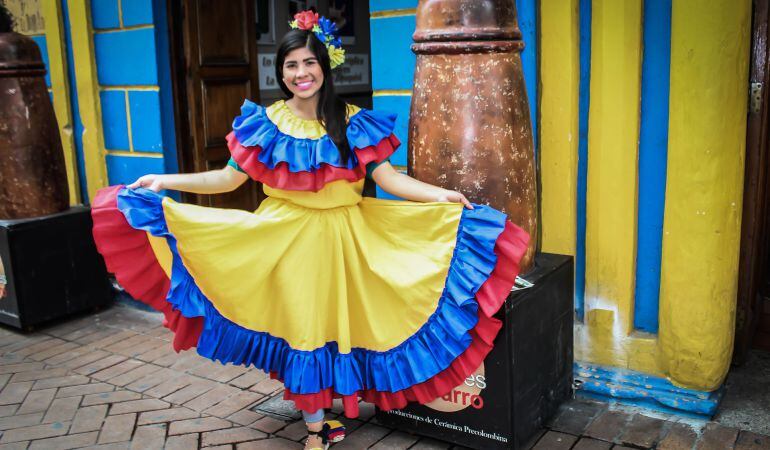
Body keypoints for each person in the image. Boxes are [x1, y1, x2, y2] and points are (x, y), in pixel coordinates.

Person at [91, 11, 528, 450]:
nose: (301, 73)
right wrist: (166, 181)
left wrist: (440, 195)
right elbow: (225, 181)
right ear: (280, 72)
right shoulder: (264, 122)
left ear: (324, 66)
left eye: (309, 63)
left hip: (348, 240)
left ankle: (325, 414)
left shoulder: (354, 121)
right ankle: (315, 429)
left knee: (346, 327)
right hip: (286, 242)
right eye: (291, 65)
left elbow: (391, 180)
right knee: (305, 331)